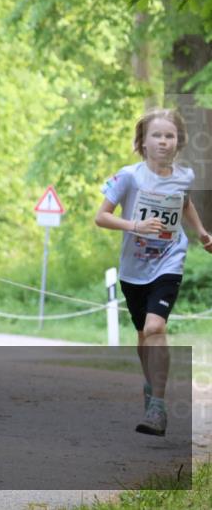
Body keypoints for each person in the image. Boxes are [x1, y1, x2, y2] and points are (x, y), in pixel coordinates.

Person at [95, 108, 212, 437]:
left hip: (169, 260)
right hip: (134, 269)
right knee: (144, 335)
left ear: (179, 142)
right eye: (156, 136)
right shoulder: (129, 176)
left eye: (169, 136)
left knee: (156, 325)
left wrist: (202, 233)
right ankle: (150, 387)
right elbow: (101, 217)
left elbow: (184, 203)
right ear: (143, 142)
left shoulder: (185, 176)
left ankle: (158, 407)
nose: (163, 141)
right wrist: (135, 224)